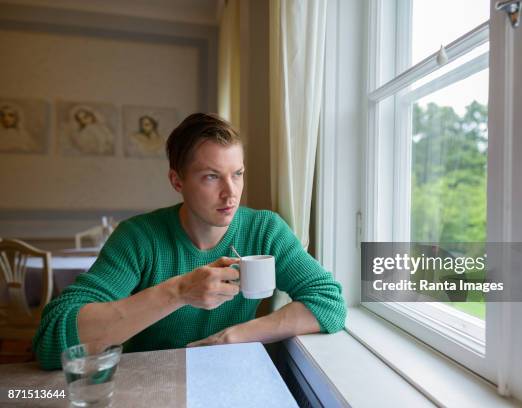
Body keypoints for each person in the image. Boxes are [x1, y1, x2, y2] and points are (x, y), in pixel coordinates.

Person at [33, 113, 346, 370]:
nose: (231, 192)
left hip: (230, 377)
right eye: (211, 176)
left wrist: (233, 337)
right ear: (176, 181)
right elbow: (51, 340)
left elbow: (329, 303)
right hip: (148, 382)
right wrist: (179, 292)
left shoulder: (265, 229)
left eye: (237, 174)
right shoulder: (138, 238)